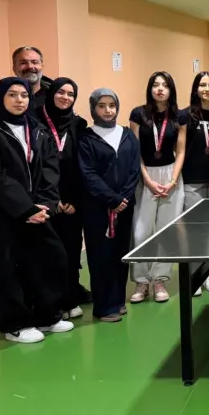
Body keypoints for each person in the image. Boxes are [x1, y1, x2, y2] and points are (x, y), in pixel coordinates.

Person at [0, 77, 72, 343]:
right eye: (12, 95)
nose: (19, 100)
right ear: (0, 98)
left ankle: (47, 316)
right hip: (4, 213)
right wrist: (25, 208)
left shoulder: (37, 130)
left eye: (23, 95)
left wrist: (46, 204)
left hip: (38, 211)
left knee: (50, 259)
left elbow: (50, 170)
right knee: (8, 269)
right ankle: (16, 324)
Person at [78, 89, 141, 322]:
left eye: (112, 105)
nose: (107, 110)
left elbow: (134, 168)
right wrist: (111, 198)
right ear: (93, 108)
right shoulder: (86, 138)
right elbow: (88, 174)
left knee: (120, 254)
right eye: (101, 106)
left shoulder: (127, 135)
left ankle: (118, 300)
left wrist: (123, 198)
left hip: (124, 206)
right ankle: (104, 306)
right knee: (100, 256)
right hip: (97, 208)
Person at [129, 71, 187, 304]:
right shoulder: (138, 114)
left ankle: (160, 279)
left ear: (171, 90)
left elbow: (180, 151)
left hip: (171, 175)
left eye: (165, 85)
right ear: (150, 89)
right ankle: (141, 281)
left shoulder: (180, 116)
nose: (160, 89)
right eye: (155, 85)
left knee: (166, 231)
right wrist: (147, 180)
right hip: (145, 175)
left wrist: (172, 181)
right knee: (141, 231)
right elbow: (135, 152)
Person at [38, 77, 89, 319]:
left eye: (71, 94)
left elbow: (82, 165)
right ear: (52, 94)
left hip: (72, 202)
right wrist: (53, 201)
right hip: (45, 200)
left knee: (71, 251)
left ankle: (70, 298)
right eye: (61, 92)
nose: (65, 97)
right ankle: (52, 303)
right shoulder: (36, 121)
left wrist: (73, 201)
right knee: (48, 255)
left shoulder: (79, 124)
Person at [180, 71, 209, 294]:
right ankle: (195, 274)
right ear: (196, 89)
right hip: (192, 181)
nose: (207, 89)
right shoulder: (185, 115)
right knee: (195, 230)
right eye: (202, 85)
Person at [0, 46, 53, 122]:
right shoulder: (1, 97)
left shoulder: (56, 94)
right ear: (14, 68)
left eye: (34, 62)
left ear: (42, 66)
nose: (30, 66)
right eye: (23, 63)